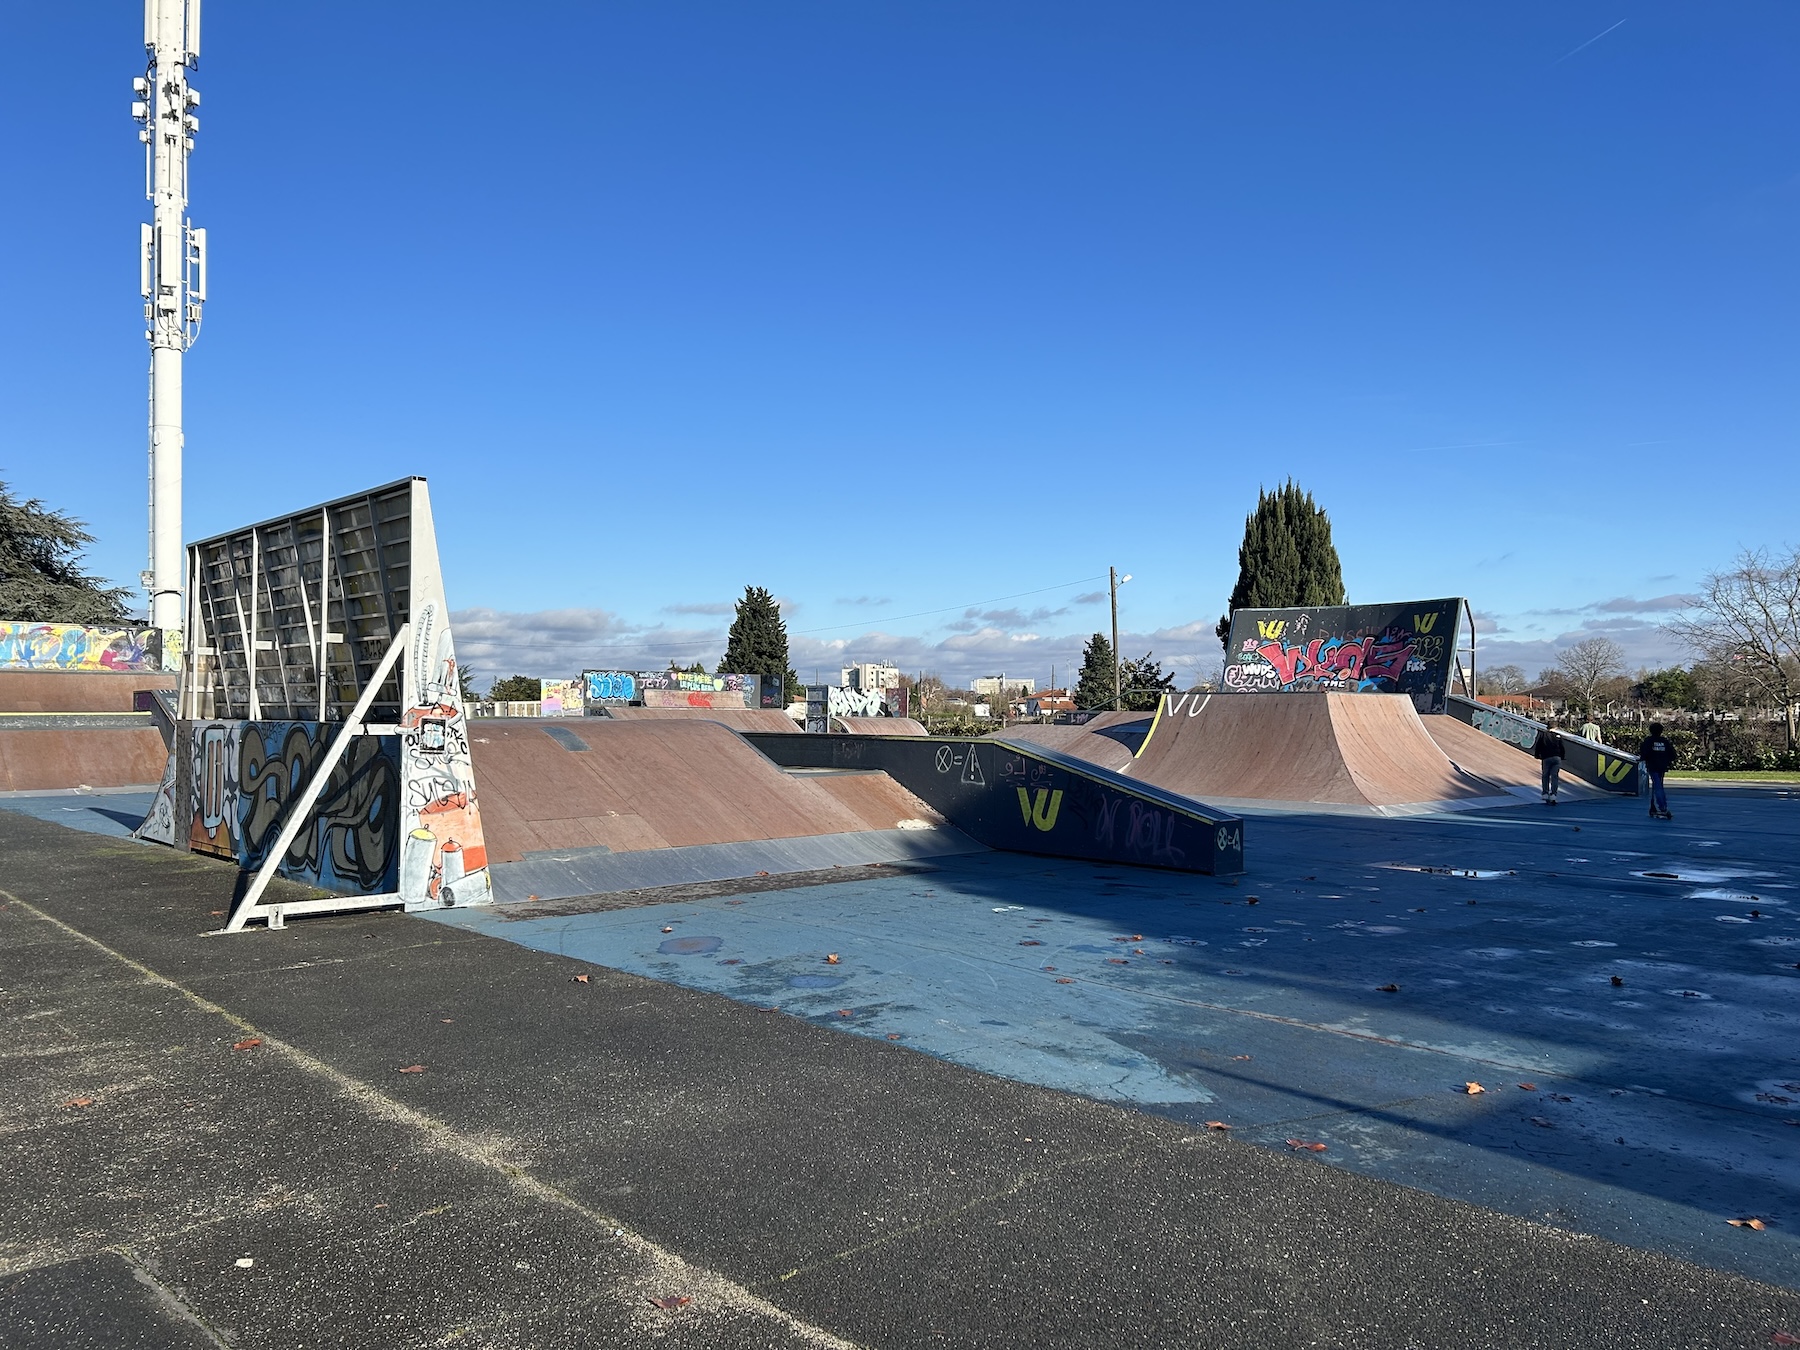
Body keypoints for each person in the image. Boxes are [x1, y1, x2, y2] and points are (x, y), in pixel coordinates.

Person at [1637, 722, 1677, 820]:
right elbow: (1673, 754)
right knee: (1659, 784)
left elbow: (1644, 752)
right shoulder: (1665, 741)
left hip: (1652, 766)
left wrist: (1642, 759)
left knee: (1657, 786)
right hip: (1662, 766)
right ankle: (1660, 805)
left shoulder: (1648, 741)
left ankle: (1662, 806)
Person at [1531, 720, 1567, 805]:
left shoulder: (1543, 735)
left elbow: (1538, 746)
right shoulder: (1558, 736)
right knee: (1555, 776)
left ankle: (1545, 793)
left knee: (1545, 775)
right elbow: (1562, 747)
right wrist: (1562, 756)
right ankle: (1553, 795)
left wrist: (1537, 755)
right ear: (1556, 727)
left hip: (1546, 757)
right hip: (1556, 757)